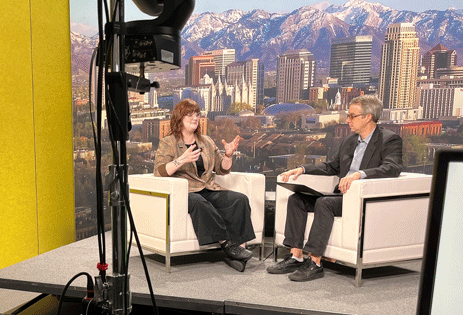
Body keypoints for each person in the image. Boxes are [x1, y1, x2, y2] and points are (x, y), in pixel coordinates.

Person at [267, 95, 403, 282]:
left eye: (352, 116)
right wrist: (303, 169)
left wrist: (359, 174)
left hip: (361, 199)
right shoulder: (350, 141)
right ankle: (296, 256)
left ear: (368, 117)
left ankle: (314, 262)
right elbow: (331, 167)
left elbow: (392, 168)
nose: (347, 120)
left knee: (324, 203)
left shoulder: (389, 139)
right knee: (297, 199)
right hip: (342, 196)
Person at [154, 98, 255, 272]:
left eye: (197, 114)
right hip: (186, 192)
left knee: (239, 199)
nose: (195, 118)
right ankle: (227, 244)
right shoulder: (168, 142)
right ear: (179, 118)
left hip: (208, 188)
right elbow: (159, 171)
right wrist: (181, 160)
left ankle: (240, 249)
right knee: (199, 203)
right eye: (189, 114)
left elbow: (221, 170)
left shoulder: (206, 141)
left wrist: (229, 156)